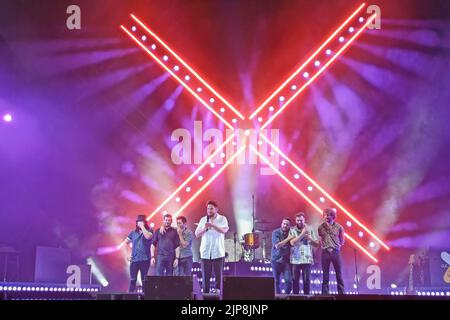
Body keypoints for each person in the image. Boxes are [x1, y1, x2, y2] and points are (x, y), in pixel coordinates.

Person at [195, 200, 229, 295]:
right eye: (208, 208)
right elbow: (197, 234)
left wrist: (212, 225)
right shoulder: (203, 219)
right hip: (205, 252)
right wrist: (205, 228)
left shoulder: (222, 218)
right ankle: (205, 294)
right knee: (205, 276)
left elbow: (224, 230)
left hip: (218, 251)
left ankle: (218, 294)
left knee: (218, 275)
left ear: (216, 209)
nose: (209, 210)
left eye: (211, 208)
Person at [289, 212, 319, 294]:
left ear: (304, 219)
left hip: (307, 259)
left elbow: (317, 244)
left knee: (306, 280)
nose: (299, 222)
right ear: (295, 220)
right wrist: (302, 235)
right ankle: (296, 298)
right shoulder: (292, 230)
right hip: (296, 259)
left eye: (301, 220)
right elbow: (292, 243)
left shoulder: (310, 229)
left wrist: (310, 239)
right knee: (295, 281)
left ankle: (306, 297)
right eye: (298, 220)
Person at [318, 207, 345, 295]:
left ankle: (341, 293)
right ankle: (325, 294)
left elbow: (342, 240)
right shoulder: (320, 227)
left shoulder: (339, 227)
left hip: (335, 252)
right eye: (325, 215)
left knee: (339, 273)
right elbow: (320, 238)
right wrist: (324, 246)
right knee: (325, 274)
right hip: (325, 252)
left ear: (333, 216)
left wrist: (336, 246)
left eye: (328, 215)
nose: (326, 217)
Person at [126, 215, 153, 292]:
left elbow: (148, 237)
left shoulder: (149, 231)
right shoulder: (133, 232)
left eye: (141, 222)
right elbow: (126, 242)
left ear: (145, 222)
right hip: (134, 260)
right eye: (138, 222)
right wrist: (128, 255)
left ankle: (144, 297)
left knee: (144, 280)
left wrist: (143, 227)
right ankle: (130, 296)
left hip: (145, 260)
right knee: (133, 280)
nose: (139, 223)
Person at [271, 218, 294, 294]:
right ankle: (278, 296)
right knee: (276, 281)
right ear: (281, 224)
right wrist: (288, 238)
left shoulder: (291, 233)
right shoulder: (275, 232)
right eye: (284, 224)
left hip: (286, 261)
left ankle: (286, 297)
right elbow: (277, 245)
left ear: (289, 226)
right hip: (276, 260)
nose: (285, 226)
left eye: (287, 225)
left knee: (289, 281)